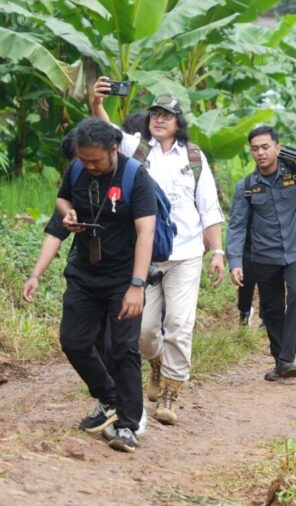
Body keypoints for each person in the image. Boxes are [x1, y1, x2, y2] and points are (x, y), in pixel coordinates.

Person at [89, 78, 225, 428]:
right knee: (146, 331)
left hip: (186, 253)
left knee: (179, 324)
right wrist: (95, 103)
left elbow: (208, 209)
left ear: (179, 123)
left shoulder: (194, 158)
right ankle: (155, 362)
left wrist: (218, 252)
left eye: (167, 115)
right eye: (155, 114)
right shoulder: (136, 148)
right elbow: (105, 131)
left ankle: (170, 391)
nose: (159, 119)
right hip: (145, 254)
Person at [53, 118, 158, 453]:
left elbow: (146, 232)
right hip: (85, 273)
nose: (90, 166)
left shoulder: (135, 177)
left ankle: (128, 425)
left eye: (96, 160)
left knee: (123, 348)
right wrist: (68, 213)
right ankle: (108, 396)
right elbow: (62, 200)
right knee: (74, 340)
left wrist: (137, 285)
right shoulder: (76, 171)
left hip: (123, 277)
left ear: (114, 149)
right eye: (84, 160)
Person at [227, 125, 296, 381]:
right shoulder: (246, 186)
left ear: (277, 147)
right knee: (271, 309)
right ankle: (282, 363)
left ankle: (287, 358)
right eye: (255, 148)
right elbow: (236, 226)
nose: (260, 153)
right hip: (264, 257)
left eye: (266, 147)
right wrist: (235, 262)